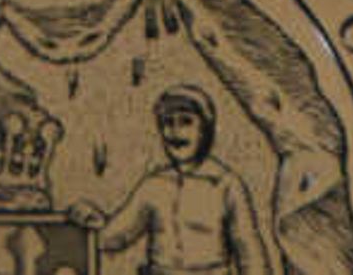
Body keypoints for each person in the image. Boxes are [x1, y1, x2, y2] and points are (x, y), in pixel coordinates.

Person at [92, 85, 269, 274]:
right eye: (168, 122)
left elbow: (251, 255)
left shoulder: (225, 185)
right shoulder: (154, 184)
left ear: (205, 129)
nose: (175, 131)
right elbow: (113, 237)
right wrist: (89, 221)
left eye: (186, 122)